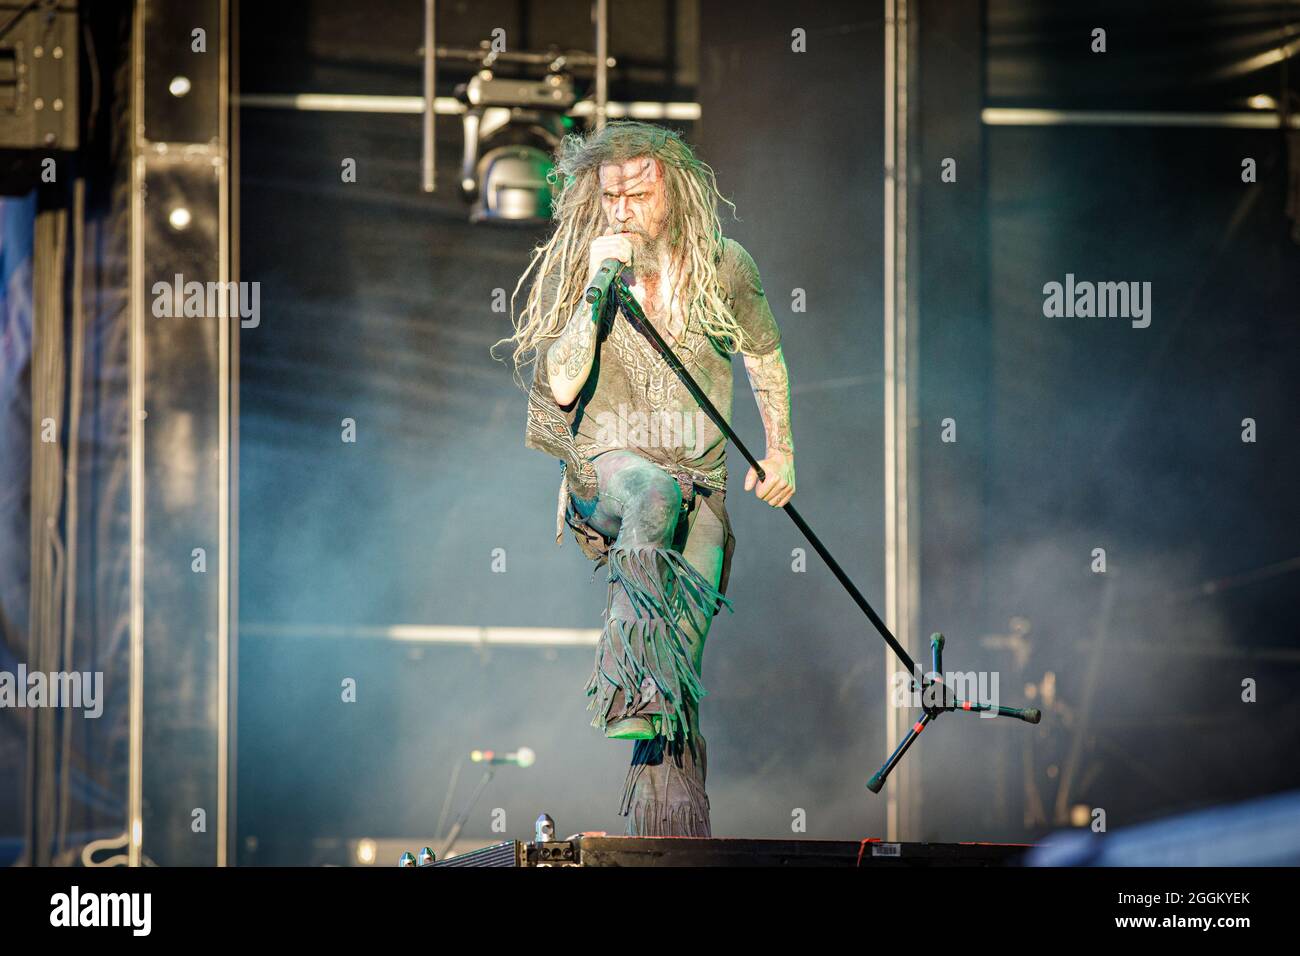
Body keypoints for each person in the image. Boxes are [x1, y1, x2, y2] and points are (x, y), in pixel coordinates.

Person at [496, 121, 795, 836]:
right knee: (652, 497)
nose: (623, 208)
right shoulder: (585, 270)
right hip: (608, 470)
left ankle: (673, 842)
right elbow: (564, 387)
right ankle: (625, 687)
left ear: (676, 189)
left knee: (678, 685)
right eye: (610, 195)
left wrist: (781, 452)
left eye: (639, 191)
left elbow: (765, 355)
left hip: (705, 484)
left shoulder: (726, 267)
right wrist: (598, 283)